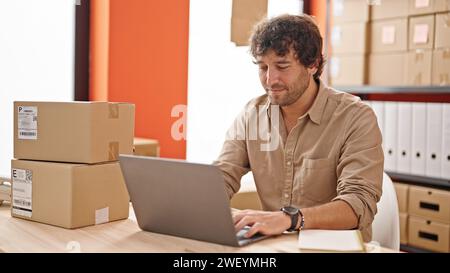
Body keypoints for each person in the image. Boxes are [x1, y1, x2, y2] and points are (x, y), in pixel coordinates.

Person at [213, 14, 384, 243]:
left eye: (282, 66)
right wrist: (199, 205)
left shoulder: (355, 117)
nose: (270, 79)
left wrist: (289, 219)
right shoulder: (251, 115)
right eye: (263, 67)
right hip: (275, 248)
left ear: (312, 64)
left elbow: (358, 205)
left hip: (334, 248)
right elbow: (222, 176)